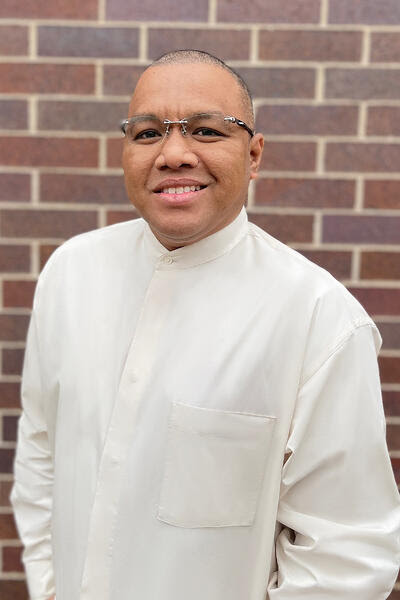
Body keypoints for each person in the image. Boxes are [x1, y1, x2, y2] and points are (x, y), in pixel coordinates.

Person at [11, 49, 400, 600]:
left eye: (206, 131)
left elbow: (347, 554)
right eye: (147, 133)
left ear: (255, 153)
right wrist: (49, 588)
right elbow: (41, 453)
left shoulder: (319, 318)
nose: (173, 153)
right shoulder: (71, 274)